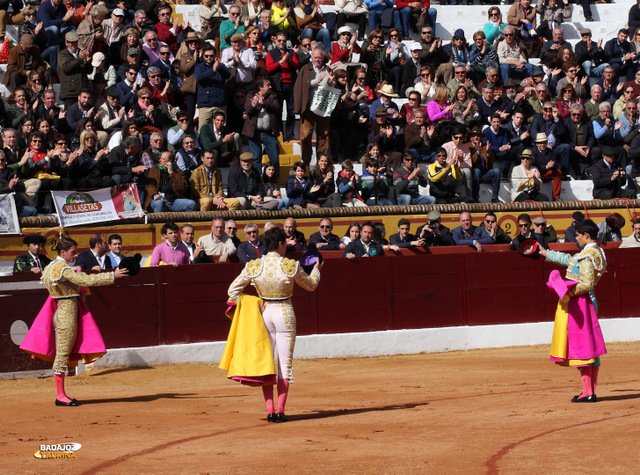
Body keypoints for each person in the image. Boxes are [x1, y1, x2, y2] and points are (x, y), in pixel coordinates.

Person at [226, 227, 321, 423]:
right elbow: (311, 285)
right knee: (284, 364)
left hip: (264, 312)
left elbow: (232, 291)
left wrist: (254, 305)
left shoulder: (254, 266)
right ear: (280, 244)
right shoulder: (289, 265)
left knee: (267, 363)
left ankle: (270, 411)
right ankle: (281, 411)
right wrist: (317, 270)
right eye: (285, 243)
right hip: (284, 312)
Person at [19, 237, 128, 406]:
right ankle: (60, 396)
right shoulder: (63, 270)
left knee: (62, 352)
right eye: (72, 252)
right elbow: (87, 280)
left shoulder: (50, 267)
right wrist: (112, 275)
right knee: (62, 354)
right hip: (66, 315)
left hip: (61, 311)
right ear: (63, 252)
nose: (76, 255)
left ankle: (61, 394)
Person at [538, 219, 607, 403]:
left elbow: (586, 283)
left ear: (586, 235)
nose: (575, 238)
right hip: (588, 302)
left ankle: (588, 391)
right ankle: (589, 391)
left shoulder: (586, 256)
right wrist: (547, 253)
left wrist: (566, 292)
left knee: (583, 347)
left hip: (581, 303)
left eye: (577, 235)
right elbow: (571, 261)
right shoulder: (596, 251)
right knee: (591, 349)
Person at [294, 47, 335, 166]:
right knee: (306, 134)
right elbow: (302, 85)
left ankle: (321, 162)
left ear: (323, 58)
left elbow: (332, 88)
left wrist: (331, 82)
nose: (318, 59)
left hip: (323, 108)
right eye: (315, 57)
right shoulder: (306, 69)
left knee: (324, 135)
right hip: (308, 107)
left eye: (320, 57)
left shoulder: (328, 69)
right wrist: (318, 80)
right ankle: (306, 161)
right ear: (312, 58)